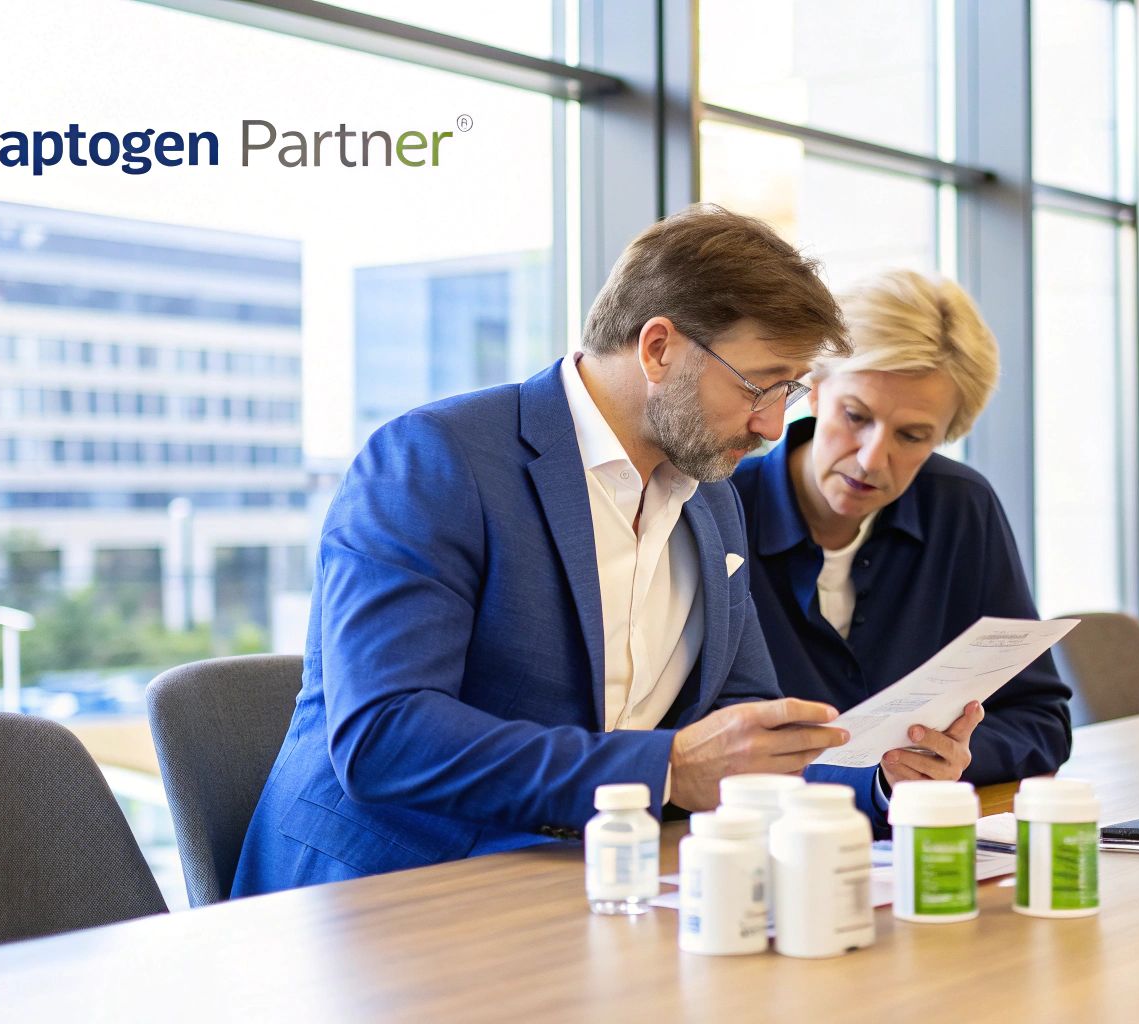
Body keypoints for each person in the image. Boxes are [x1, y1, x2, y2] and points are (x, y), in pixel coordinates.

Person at [234, 206, 855, 896]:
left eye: (787, 391)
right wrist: (664, 768)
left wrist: (885, 781)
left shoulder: (710, 496)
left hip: (591, 887)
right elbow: (386, 735)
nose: (771, 424)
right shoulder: (434, 460)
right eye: (757, 385)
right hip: (384, 896)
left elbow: (743, 729)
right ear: (658, 349)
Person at [729, 269, 1071, 815]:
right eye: (855, 416)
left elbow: (1039, 718)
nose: (871, 458)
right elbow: (705, 741)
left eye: (912, 436)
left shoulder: (961, 508)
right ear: (815, 389)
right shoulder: (717, 510)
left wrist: (949, 757)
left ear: (945, 436)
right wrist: (873, 781)